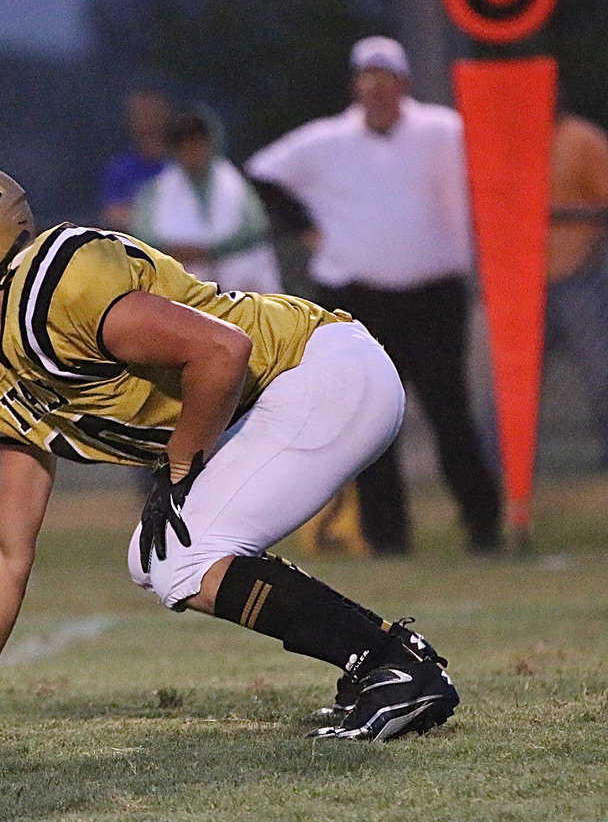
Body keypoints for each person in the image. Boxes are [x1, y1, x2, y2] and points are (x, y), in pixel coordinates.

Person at [0, 160, 458, 742]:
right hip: (281, 399)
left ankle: (390, 664)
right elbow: (6, 548)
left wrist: (179, 466)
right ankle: (384, 660)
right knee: (156, 559)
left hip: (317, 371)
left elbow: (221, 351)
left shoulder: (63, 287)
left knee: (182, 559)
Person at [246, 36, 503, 555]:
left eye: (387, 82)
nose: (378, 92)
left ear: (403, 86)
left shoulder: (443, 129)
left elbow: (496, 166)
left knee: (449, 410)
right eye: (369, 82)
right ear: (356, 88)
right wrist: (306, 229)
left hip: (434, 293)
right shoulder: (326, 140)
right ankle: (386, 535)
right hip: (358, 295)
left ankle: (484, 525)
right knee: (371, 416)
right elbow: (261, 175)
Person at [129, 106, 282, 294]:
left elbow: (256, 226)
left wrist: (211, 251)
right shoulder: (154, 191)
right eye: (184, 145)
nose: (192, 151)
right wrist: (177, 250)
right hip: (183, 289)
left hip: (243, 286)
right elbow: (142, 233)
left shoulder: (237, 185)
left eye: (197, 143)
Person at [546, 109, 608, 469]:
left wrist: (591, 251)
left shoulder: (580, 139)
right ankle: (501, 461)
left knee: (599, 369)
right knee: (516, 384)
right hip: (526, 285)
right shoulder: (515, 144)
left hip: (577, 279)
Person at [98, 89, 172, 231]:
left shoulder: (182, 165)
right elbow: (114, 217)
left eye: (153, 114)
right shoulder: (120, 170)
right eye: (141, 116)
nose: (148, 122)